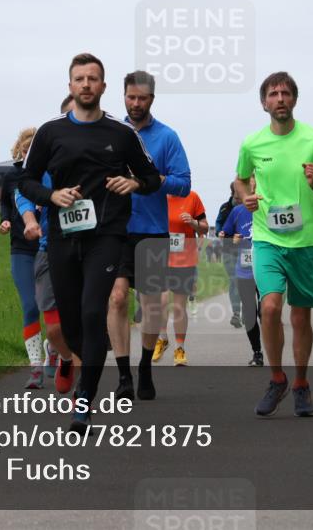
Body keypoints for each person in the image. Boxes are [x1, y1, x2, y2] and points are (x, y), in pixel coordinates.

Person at [19, 53, 162, 433]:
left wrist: (133, 182)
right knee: (70, 323)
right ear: (70, 85)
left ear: (103, 86)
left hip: (106, 236)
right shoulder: (50, 132)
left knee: (93, 312)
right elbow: (26, 181)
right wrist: (52, 196)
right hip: (63, 236)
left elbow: (152, 178)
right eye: (79, 79)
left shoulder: (121, 134)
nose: (86, 84)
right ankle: (80, 364)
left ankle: (84, 401)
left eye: (92, 78)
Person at [234, 72, 313, 418]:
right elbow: (240, 180)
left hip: (305, 242)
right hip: (267, 238)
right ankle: (277, 378)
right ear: (264, 103)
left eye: (286, 93)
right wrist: (246, 197)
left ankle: (301, 384)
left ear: (294, 99)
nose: (280, 98)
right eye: (273, 94)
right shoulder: (252, 144)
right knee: (269, 307)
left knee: (300, 316)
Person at [107, 70, 191, 401]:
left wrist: (151, 179)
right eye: (131, 97)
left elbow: (184, 182)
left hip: (152, 232)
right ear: (123, 97)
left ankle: (145, 365)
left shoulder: (167, 137)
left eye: (142, 98)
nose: (136, 103)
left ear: (152, 99)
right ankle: (123, 374)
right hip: (115, 229)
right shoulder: (112, 133)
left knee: (152, 305)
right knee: (117, 298)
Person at [15, 94, 79, 395]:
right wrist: (29, 219)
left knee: (85, 320)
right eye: (71, 116)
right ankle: (64, 357)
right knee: (53, 328)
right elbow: (24, 189)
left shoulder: (104, 146)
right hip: (51, 247)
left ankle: (83, 396)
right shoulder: (47, 151)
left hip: (93, 247)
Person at [0, 128, 44, 388]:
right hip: (21, 247)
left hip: (49, 247)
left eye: (33, 151)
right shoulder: (12, 175)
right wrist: (5, 220)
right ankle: (36, 366)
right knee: (30, 306)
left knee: (53, 306)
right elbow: (6, 203)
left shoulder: (50, 173)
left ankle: (54, 348)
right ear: (20, 150)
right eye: (26, 151)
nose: (29, 155)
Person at [154, 190, 207, 366]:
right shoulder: (155, 195)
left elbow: (205, 227)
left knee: (178, 306)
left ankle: (179, 348)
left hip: (184, 258)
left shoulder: (192, 197)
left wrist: (193, 223)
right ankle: (162, 338)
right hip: (159, 257)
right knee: (161, 301)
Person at [220, 184, 263, 366]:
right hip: (244, 269)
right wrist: (231, 239)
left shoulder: (269, 206)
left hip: (266, 267)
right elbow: (225, 236)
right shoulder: (237, 211)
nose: (252, 187)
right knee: (250, 312)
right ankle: (257, 352)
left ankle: (273, 348)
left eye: (255, 183)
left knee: (266, 311)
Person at [214, 185, 243, 327]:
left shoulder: (249, 206)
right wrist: (219, 231)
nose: (239, 198)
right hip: (228, 250)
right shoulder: (224, 208)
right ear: (232, 193)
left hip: (246, 250)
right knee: (234, 280)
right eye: (237, 195)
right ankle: (236, 313)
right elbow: (218, 222)